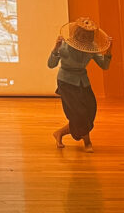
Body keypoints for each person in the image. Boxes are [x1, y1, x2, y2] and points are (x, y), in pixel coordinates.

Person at [47, 16, 113, 153]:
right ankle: (87, 142)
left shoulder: (92, 47)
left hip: (83, 82)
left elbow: (104, 65)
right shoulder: (65, 45)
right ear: (77, 32)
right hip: (66, 82)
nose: (85, 36)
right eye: (83, 33)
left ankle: (59, 133)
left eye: (88, 34)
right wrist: (55, 48)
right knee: (79, 114)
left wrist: (109, 50)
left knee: (90, 111)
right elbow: (51, 65)